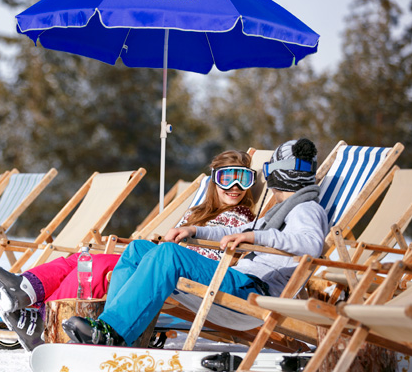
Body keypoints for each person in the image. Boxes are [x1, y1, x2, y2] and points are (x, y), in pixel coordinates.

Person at [0, 150, 258, 350]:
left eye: (243, 179)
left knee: (96, 267)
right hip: (161, 264)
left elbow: (207, 257)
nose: (234, 187)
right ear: (214, 181)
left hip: (181, 273)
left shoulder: (242, 219)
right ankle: (26, 289)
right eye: (227, 178)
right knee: (82, 259)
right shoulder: (198, 213)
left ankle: (47, 321)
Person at [63, 138, 329, 347]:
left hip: (253, 293)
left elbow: (311, 244)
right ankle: (112, 328)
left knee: (169, 254)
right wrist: (194, 231)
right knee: (137, 249)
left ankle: (114, 330)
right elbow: (230, 230)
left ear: (278, 175)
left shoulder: (306, 208)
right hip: (238, 282)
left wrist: (254, 236)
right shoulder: (280, 213)